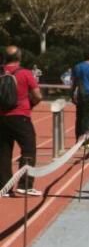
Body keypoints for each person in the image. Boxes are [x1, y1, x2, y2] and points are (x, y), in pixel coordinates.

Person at [0, 46, 41, 196]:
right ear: (19, 57)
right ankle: (25, 184)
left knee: (3, 152)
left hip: (1, 118)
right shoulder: (25, 73)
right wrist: (30, 105)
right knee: (28, 148)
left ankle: (4, 187)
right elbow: (38, 96)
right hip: (20, 116)